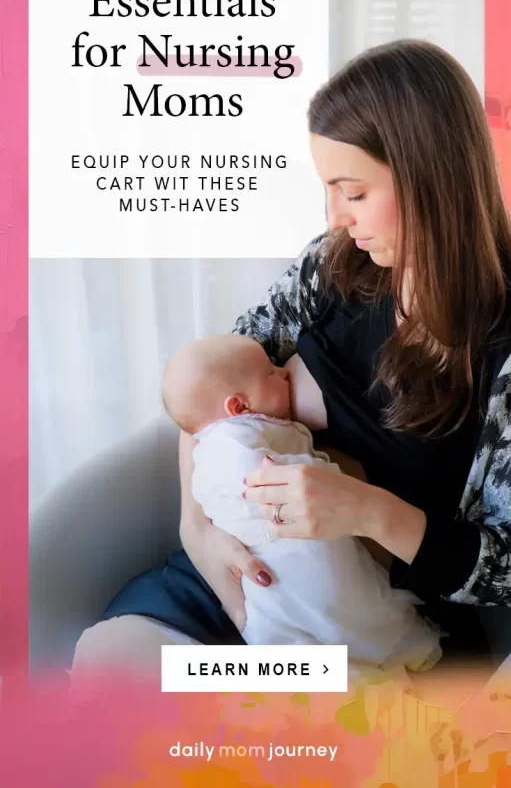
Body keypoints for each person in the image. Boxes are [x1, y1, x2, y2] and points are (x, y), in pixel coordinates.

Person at [72, 39, 511, 686]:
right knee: (108, 668)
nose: (335, 217)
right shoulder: (330, 267)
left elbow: (500, 567)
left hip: (381, 620)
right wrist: (199, 532)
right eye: (329, 191)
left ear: (429, 178)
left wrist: (363, 510)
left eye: (352, 192)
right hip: (251, 570)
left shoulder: (498, 347)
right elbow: (206, 386)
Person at [160, 333, 441, 669]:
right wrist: (195, 530)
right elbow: (243, 475)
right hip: (271, 563)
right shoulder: (231, 438)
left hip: (336, 548)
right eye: (271, 372)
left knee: (352, 608)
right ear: (239, 406)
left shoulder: (250, 422)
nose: (283, 371)